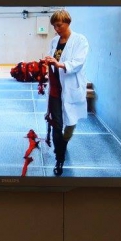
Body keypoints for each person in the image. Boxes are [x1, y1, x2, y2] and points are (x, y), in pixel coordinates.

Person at [43, 9, 89, 176]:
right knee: (57, 124)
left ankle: (63, 143)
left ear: (68, 23)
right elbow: (52, 58)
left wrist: (60, 64)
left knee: (69, 125)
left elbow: (78, 62)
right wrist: (48, 61)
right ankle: (59, 158)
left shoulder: (80, 40)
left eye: (59, 25)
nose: (56, 29)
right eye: (54, 26)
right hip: (55, 88)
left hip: (70, 87)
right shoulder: (54, 41)